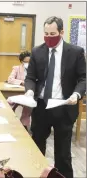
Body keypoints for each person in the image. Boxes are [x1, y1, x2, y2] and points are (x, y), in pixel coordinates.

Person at [24, 16, 86, 178]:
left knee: (63, 153)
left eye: (52, 34)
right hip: (42, 107)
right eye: (46, 34)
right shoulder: (37, 51)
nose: (49, 37)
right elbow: (30, 77)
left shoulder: (76, 52)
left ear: (61, 32)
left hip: (64, 107)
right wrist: (30, 90)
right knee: (37, 147)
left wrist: (76, 94)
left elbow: (83, 78)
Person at [7, 51, 32, 130]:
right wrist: (21, 82)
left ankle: (24, 125)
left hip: (28, 93)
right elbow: (10, 79)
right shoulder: (16, 68)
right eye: (26, 62)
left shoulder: (34, 69)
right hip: (17, 93)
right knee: (9, 103)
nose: (28, 63)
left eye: (30, 61)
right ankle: (10, 122)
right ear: (21, 61)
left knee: (28, 106)